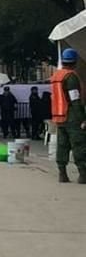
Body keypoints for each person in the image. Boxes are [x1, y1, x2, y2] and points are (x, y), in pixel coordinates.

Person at [50, 48, 86, 184]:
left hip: (59, 116)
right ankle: (83, 175)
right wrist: (83, 118)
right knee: (79, 145)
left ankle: (62, 174)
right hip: (71, 116)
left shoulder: (56, 76)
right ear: (75, 61)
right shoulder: (70, 77)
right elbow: (75, 100)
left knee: (62, 145)